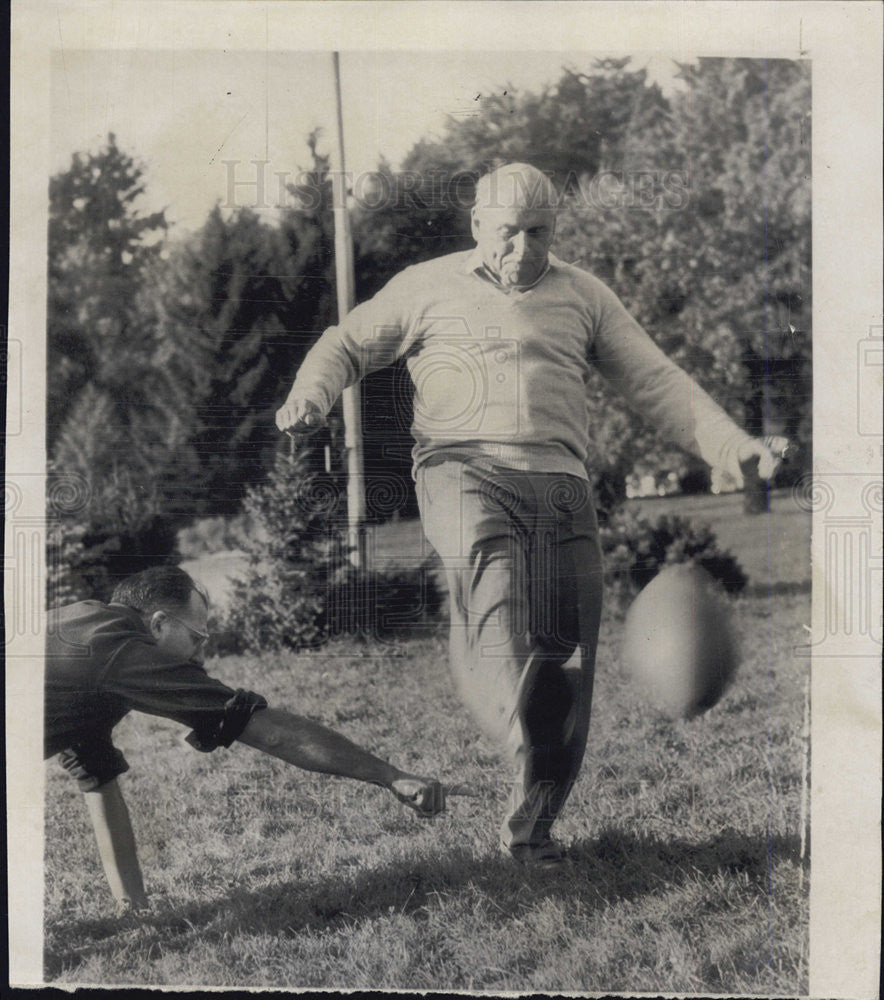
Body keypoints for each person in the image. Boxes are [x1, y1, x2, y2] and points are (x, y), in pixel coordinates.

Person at [275, 162, 787, 865]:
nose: (522, 250)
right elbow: (346, 344)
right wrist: (313, 395)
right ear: (478, 225)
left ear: (557, 228)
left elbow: (656, 378)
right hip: (462, 468)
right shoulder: (427, 286)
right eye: (508, 233)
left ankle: (533, 831)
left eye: (538, 233)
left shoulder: (584, 295)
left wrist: (736, 446)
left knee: (566, 660)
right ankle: (510, 724)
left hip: (561, 481)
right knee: (493, 581)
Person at [45, 566, 446, 911]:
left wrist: (133, 910)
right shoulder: (119, 651)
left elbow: (98, 779)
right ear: (159, 624)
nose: (201, 657)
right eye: (196, 638)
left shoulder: (84, 630)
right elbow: (269, 734)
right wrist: (389, 775)